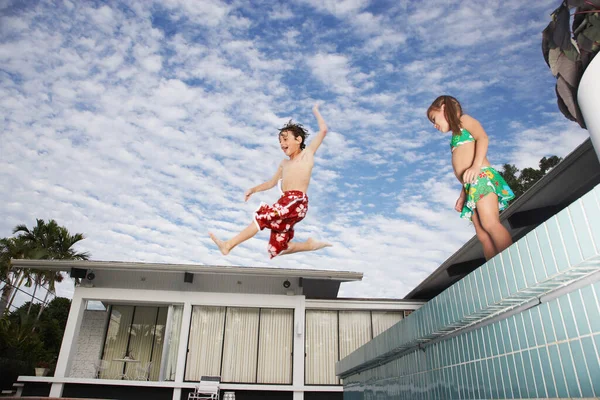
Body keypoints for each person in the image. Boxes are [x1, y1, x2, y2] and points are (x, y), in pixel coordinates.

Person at [209, 104, 332, 258]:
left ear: (298, 139)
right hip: (285, 203)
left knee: (263, 216)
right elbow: (271, 183)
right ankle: (309, 245)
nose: (282, 144)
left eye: (285, 139)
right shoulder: (284, 164)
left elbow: (323, 130)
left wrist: (316, 110)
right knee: (276, 249)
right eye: (280, 141)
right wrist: (253, 189)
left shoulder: (307, 154)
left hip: (297, 201)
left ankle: (228, 245)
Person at [427, 95, 515, 260]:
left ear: (444, 107)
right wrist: (462, 195)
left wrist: (476, 166)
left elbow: (483, 138)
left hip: (482, 177)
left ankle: (512, 263)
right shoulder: (454, 137)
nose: (434, 125)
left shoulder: (464, 121)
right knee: (482, 235)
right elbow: (464, 170)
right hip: (469, 186)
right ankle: (495, 270)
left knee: (490, 223)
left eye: (434, 119)